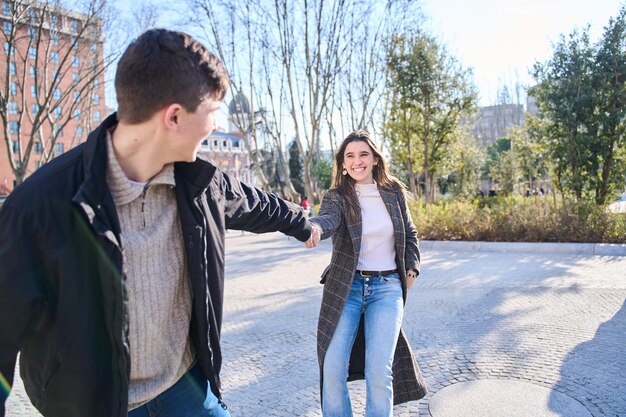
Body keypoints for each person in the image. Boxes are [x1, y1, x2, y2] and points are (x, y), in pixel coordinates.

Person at [0, 29, 316, 417]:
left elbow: (254, 202)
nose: (217, 125)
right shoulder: (37, 206)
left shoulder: (200, 182)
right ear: (175, 117)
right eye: (214, 111)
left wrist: (303, 223)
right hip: (94, 407)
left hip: (184, 388)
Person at [305, 130, 427, 416]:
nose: (357, 161)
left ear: (374, 159)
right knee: (333, 367)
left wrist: (411, 269)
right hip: (346, 289)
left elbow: (410, 232)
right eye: (350, 156)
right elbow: (328, 220)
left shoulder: (393, 191)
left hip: (387, 288)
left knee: (379, 371)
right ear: (343, 163)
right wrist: (314, 228)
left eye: (363, 154)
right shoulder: (337, 196)